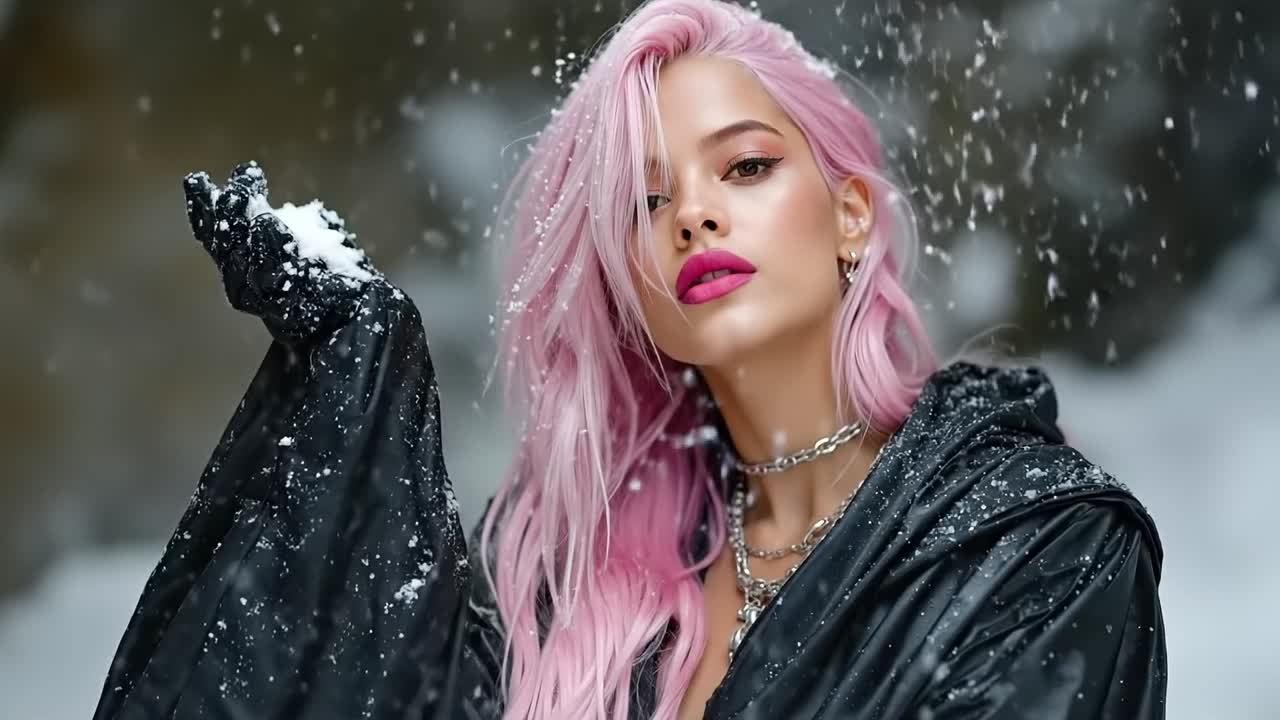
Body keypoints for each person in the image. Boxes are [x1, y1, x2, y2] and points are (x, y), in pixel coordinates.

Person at [93, 1, 1167, 718]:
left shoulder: (1039, 546)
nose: (692, 217)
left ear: (848, 215)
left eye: (742, 167)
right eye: (643, 202)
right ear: (622, 283)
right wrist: (357, 394)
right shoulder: (571, 575)